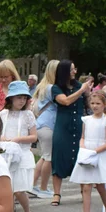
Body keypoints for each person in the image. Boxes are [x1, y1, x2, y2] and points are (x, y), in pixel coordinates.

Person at [70, 91, 106, 212]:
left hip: (100, 153)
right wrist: (83, 146)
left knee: (100, 185)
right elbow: (83, 136)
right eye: (92, 103)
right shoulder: (86, 120)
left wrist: (95, 151)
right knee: (86, 185)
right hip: (87, 153)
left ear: (105, 105)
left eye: (98, 103)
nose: (95, 106)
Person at [50, 61, 93, 206]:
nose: (75, 71)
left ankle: (83, 191)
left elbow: (88, 104)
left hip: (78, 125)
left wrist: (88, 94)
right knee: (59, 155)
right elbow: (66, 101)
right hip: (63, 126)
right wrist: (82, 91)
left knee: (79, 156)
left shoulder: (79, 86)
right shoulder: (56, 88)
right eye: (72, 69)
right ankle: (57, 193)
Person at [0, 81, 38, 212]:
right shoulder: (3, 114)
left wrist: (18, 139)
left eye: (24, 98)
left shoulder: (28, 115)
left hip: (22, 154)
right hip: (6, 154)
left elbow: (34, 136)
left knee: (20, 189)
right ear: (11, 99)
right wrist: (1, 138)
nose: (22, 101)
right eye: (18, 97)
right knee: (8, 189)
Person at [31, 60, 59, 198]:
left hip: (41, 124)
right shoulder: (52, 88)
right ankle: (43, 188)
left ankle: (32, 184)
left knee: (44, 156)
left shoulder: (42, 86)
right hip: (49, 125)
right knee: (49, 158)